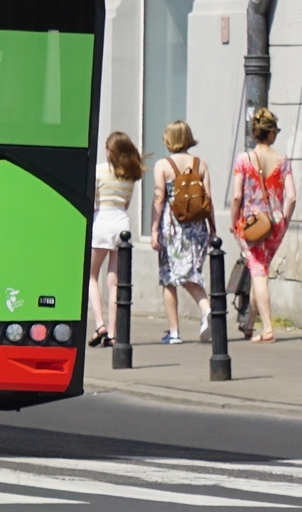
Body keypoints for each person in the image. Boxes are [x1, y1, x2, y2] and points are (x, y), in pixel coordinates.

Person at [228, 108, 297, 343]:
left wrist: (232, 220)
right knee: (260, 269)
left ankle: (267, 327)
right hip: (275, 224)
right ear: (270, 134)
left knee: (258, 273)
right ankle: (249, 324)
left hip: (251, 225)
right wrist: (284, 220)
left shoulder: (243, 159)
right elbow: (292, 197)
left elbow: (237, 196)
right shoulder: (283, 161)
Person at [150, 120, 215, 345]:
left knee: (169, 278)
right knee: (190, 275)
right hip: (197, 228)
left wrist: (154, 229)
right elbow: (208, 200)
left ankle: (176, 330)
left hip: (173, 228)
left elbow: (159, 199)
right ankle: (207, 312)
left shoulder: (163, 165)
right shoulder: (201, 165)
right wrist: (213, 229)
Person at [88, 131, 145, 346]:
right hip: (122, 225)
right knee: (114, 282)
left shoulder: (99, 171)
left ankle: (99, 324)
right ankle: (112, 333)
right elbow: (127, 204)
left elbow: (93, 201)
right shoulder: (130, 175)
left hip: (101, 221)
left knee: (91, 276)